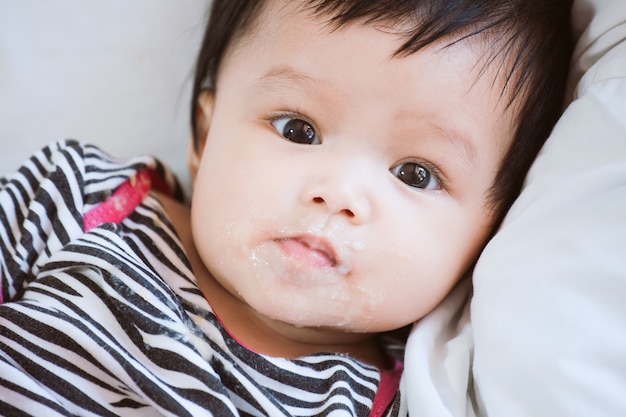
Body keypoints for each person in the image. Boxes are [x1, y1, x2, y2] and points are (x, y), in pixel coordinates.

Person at [0, 0, 572, 415]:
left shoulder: (393, 402)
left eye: (415, 174)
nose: (338, 192)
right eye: (298, 129)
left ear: (491, 232)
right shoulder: (83, 199)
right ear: (204, 135)